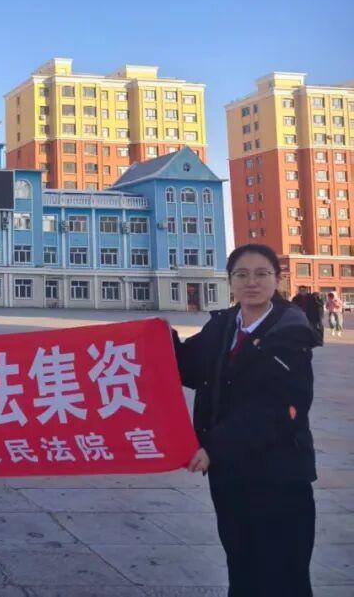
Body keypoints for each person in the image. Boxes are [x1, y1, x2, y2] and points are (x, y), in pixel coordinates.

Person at [171, 243, 316, 597]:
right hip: (230, 475)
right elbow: (191, 367)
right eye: (242, 274)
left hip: (278, 476)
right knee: (242, 564)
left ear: (277, 280)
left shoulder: (291, 333)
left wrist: (213, 447)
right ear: (230, 282)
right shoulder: (223, 326)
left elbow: (274, 410)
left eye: (262, 274)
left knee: (282, 574)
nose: (252, 282)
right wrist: (160, 340)